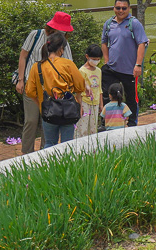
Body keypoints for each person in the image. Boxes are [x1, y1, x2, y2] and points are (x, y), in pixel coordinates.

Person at [16, 11, 74, 154]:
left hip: (52, 90)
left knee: (48, 121)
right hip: (32, 85)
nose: (61, 33)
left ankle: (44, 153)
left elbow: (69, 65)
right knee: (30, 120)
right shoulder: (35, 35)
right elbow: (23, 56)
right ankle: (26, 153)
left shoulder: (63, 44)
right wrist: (20, 79)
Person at [23, 31, 84, 149]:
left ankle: (49, 166)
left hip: (48, 111)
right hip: (68, 110)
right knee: (68, 144)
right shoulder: (68, 64)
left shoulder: (37, 66)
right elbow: (80, 85)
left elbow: (30, 91)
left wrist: (41, 105)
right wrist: (79, 102)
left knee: (50, 144)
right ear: (61, 49)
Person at [101, 0, 148, 127]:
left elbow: (141, 44)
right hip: (111, 68)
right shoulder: (109, 24)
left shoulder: (134, 24)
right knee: (107, 96)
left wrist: (138, 65)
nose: (120, 10)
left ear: (128, 8)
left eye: (124, 8)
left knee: (131, 98)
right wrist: (106, 60)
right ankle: (106, 123)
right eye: (118, 8)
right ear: (114, 8)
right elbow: (104, 42)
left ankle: (132, 124)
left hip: (129, 69)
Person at [77, 44, 103, 138]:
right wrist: (80, 105)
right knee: (83, 128)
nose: (96, 61)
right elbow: (79, 90)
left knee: (93, 128)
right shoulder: (82, 71)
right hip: (85, 102)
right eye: (94, 59)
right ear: (87, 56)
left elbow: (99, 88)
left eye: (98, 59)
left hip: (95, 102)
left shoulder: (99, 71)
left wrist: (101, 104)